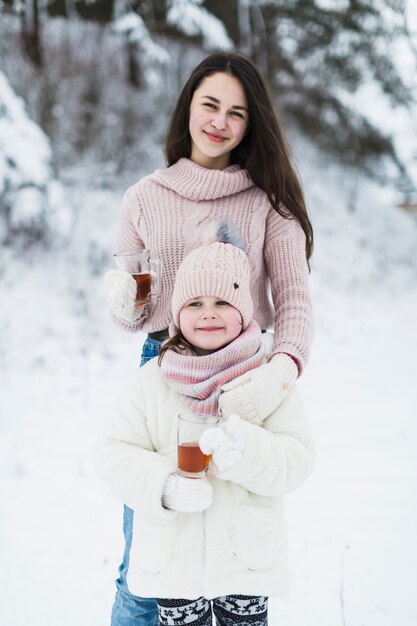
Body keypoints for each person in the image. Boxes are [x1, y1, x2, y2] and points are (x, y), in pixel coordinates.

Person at [103, 51, 314, 625]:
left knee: (238, 552)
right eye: (210, 104)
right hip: (163, 371)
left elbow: (294, 298)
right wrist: (127, 301)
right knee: (149, 557)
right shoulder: (143, 197)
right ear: (188, 106)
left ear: (252, 124)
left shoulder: (268, 201)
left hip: (247, 374)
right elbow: (137, 311)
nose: (220, 121)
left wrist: (282, 371)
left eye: (237, 112)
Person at [96, 225, 315, 626]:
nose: (209, 312)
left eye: (222, 301)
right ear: (177, 312)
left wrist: (246, 453)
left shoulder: (265, 378)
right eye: (195, 302)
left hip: (245, 562)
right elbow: (114, 453)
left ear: (245, 310)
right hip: (174, 566)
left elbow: (297, 459)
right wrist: (164, 487)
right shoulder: (153, 379)